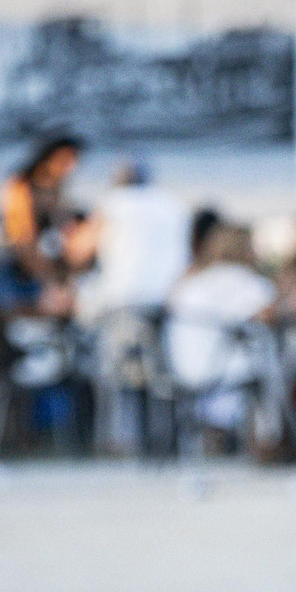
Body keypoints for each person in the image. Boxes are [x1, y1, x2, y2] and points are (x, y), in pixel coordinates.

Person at [74, 161, 191, 454]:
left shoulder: (113, 204)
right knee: (162, 376)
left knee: (119, 375)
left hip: (124, 300)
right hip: (169, 302)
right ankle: (168, 441)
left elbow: (79, 251)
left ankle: (123, 441)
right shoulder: (172, 204)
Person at [164, 224, 287, 456]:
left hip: (184, 369)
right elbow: (270, 315)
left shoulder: (192, 283)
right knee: (270, 355)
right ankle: (270, 438)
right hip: (223, 369)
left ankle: (221, 431)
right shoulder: (245, 281)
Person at [0, 134, 85, 318]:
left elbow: (64, 230)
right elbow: (22, 239)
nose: (72, 166)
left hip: (40, 271)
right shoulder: (20, 187)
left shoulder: (56, 190)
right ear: (48, 157)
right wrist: (49, 281)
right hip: (12, 271)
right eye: (66, 159)